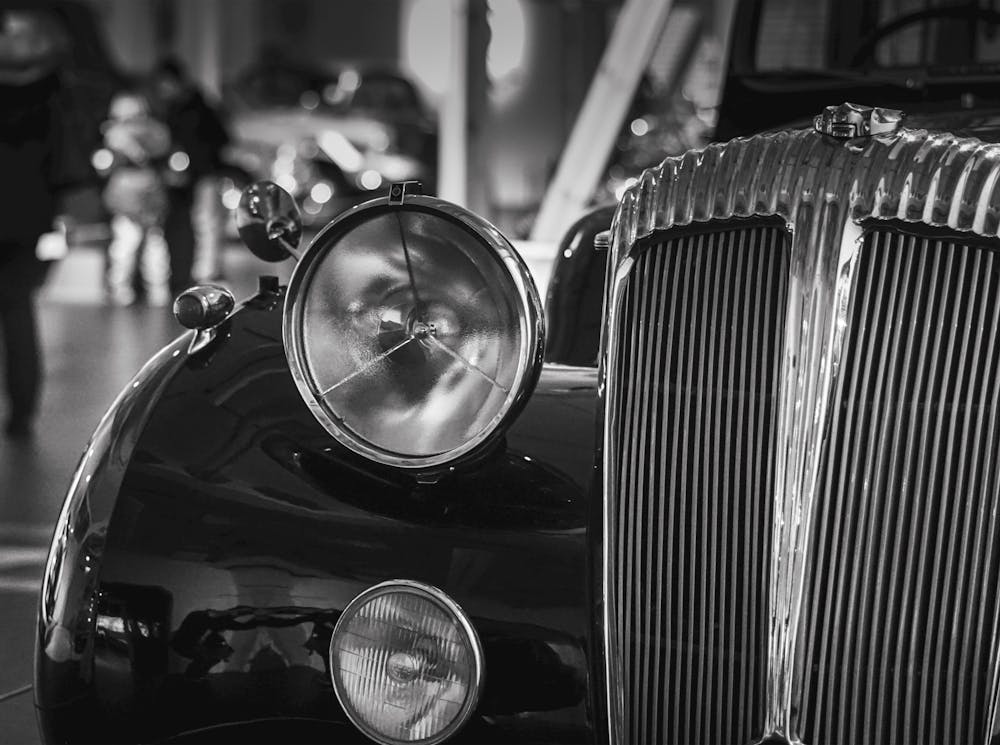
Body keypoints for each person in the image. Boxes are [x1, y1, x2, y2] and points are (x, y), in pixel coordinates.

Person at [0, 6, 95, 438]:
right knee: (18, 310)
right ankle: (22, 410)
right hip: (28, 216)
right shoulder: (52, 95)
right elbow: (65, 161)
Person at [148, 57, 230, 293]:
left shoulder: (199, 109)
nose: (163, 90)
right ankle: (184, 275)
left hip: (202, 176)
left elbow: (220, 140)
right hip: (181, 181)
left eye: (165, 84)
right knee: (183, 229)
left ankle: (206, 277)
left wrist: (195, 162)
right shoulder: (170, 110)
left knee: (206, 225)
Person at [100, 88, 172, 306]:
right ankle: (122, 290)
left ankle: (156, 290)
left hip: (148, 192)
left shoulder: (153, 131)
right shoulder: (114, 133)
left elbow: (158, 148)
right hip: (127, 193)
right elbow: (107, 161)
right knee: (126, 244)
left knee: (153, 245)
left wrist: (130, 142)